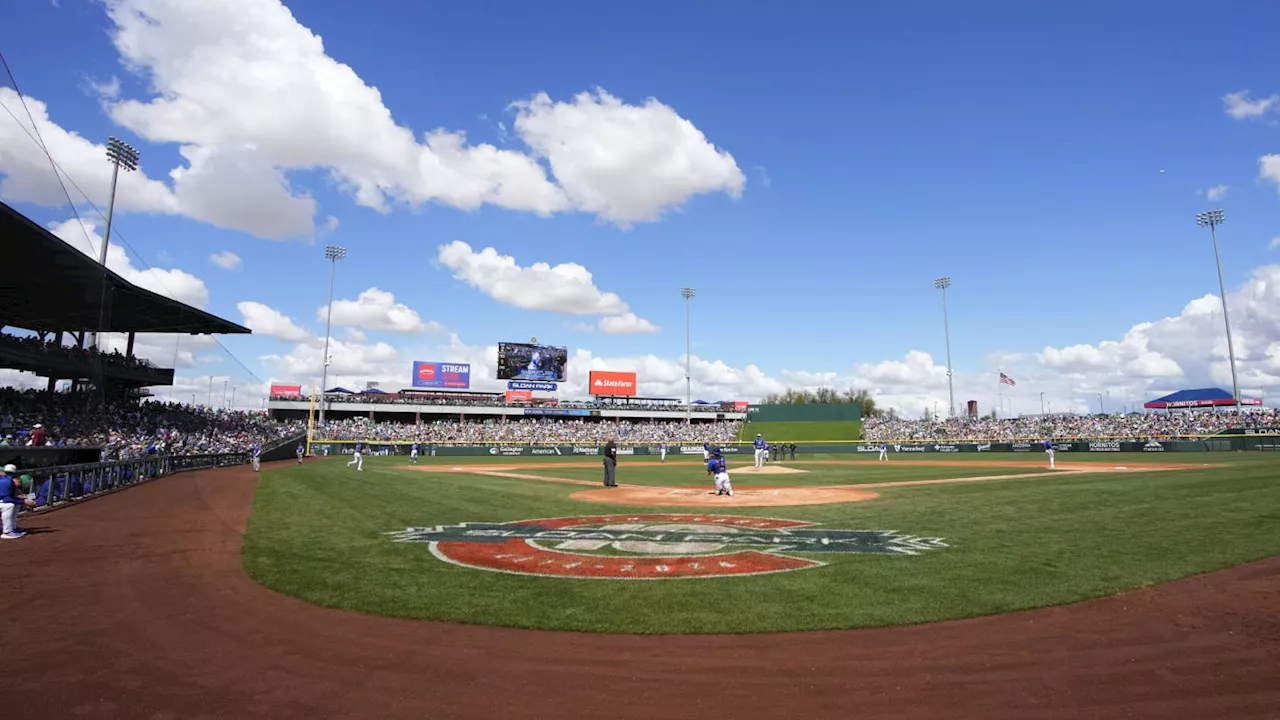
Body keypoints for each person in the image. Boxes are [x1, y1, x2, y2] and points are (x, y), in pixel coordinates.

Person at [1, 464, 36, 539]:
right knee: (9, 505)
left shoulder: (8, 480)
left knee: (16, 504)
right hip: (2, 502)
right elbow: (6, 499)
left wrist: (21, 499)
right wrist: (24, 501)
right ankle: (7, 532)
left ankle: (13, 528)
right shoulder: (7, 481)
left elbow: (9, 497)